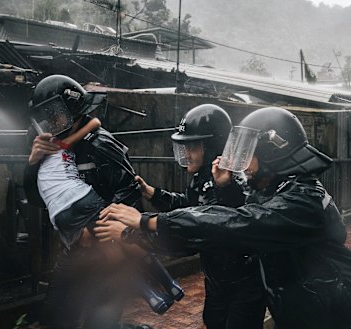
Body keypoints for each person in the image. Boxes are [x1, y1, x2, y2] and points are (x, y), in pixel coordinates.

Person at [98, 107, 351, 329]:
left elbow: (232, 223)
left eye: (248, 155)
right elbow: (222, 215)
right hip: (298, 309)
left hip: (327, 316)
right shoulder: (273, 189)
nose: (242, 165)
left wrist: (147, 222)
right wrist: (223, 188)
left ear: (272, 153)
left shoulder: (300, 200)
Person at [95, 104, 266, 329]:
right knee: (213, 321)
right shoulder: (202, 177)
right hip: (217, 279)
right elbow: (189, 207)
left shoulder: (227, 180)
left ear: (212, 145)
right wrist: (153, 193)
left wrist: (134, 232)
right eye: (183, 147)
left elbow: (198, 231)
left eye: (192, 147)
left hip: (244, 283)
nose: (186, 154)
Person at [24, 75, 145, 329]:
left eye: (55, 113)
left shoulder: (101, 142)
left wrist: (94, 229)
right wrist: (32, 163)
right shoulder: (49, 146)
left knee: (100, 321)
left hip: (108, 251)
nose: (52, 120)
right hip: (76, 251)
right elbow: (36, 199)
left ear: (71, 108)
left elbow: (130, 193)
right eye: (47, 114)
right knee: (56, 314)